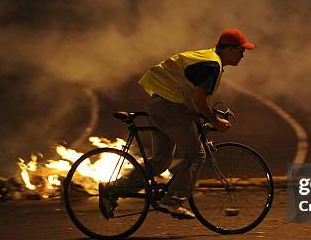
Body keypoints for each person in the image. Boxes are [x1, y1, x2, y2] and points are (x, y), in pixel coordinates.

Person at [100, 28, 257, 219]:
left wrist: (207, 115)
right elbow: (199, 100)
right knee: (196, 154)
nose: (243, 55)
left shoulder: (208, 58)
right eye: (241, 50)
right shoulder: (212, 66)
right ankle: (172, 200)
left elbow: (193, 96)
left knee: (160, 161)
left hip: (161, 103)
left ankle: (112, 190)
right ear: (230, 49)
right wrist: (214, 120)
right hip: (169, 106)